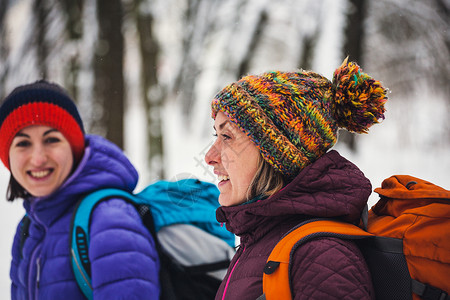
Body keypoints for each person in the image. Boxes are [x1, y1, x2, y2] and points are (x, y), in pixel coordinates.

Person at [205, 58, 388, 300]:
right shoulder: (262, 237)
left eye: (227, 137)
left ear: (276, 155)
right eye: (215, 134)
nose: (209, 156)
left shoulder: (320, 257)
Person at [0, 80, 160, 299]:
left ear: (74, 147)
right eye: (23, 143)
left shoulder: (109, 220)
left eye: (51, 140)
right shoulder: (29, 226)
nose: (37, 158)